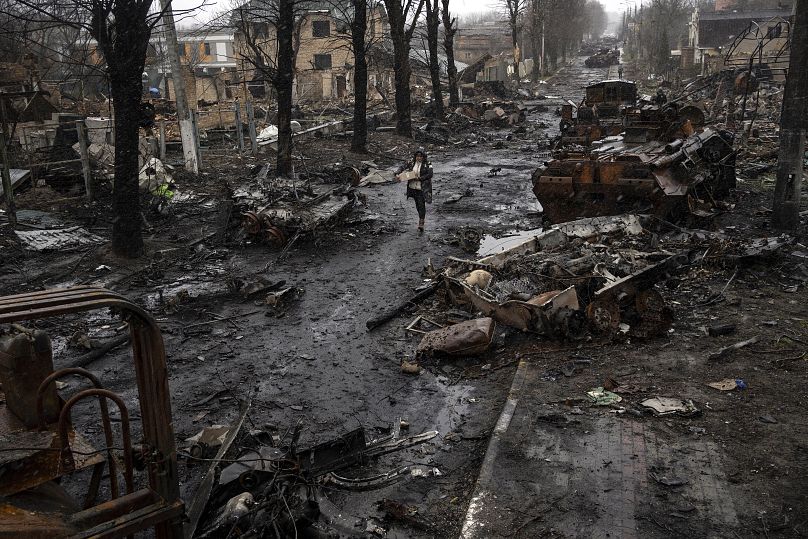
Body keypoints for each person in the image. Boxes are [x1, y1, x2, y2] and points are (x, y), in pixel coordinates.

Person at [396, 148, 433, 234]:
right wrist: (397, 174)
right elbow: (402, 167)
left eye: (420, 156)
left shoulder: (428, 163)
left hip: (422, 188)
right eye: (417, 156)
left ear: (423, 157)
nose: (419, 158)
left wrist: (420, 178)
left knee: (421, 204)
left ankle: (421, 222)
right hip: (412, 187)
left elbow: (430, 174)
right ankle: (421, 217)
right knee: (417, 204)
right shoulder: (411, 163)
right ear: (415, 156)